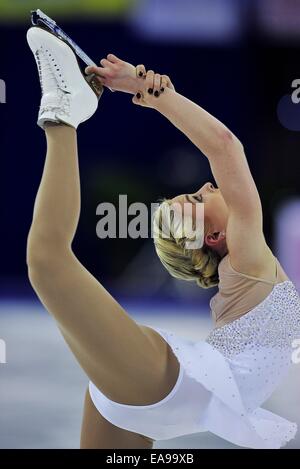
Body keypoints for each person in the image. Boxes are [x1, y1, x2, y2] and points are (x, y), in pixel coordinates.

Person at [26, 26, 300, 449]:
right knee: (46, 260)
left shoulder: (243, 270)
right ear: (214, 234)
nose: (209, 186)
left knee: (45, 261)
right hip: (170, 385)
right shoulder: (248, 260)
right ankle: (62, 114)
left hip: (150, 398)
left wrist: (153, 91)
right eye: (195, 195)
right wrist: (150, 92)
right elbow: (226, 147)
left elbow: (225, 152)